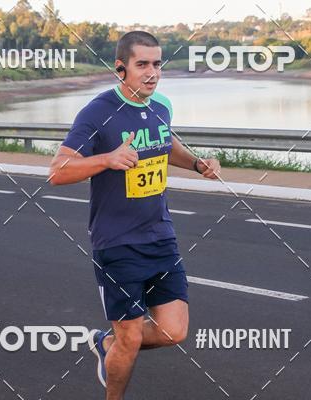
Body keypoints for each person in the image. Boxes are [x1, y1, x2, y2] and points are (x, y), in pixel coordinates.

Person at [48, 31, 221, 400]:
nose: (152, 72)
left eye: (157, 63)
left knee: (174, 331)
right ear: (120, 68)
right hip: (117, 242)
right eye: (142, 64)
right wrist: (107, 159)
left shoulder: (161, 106)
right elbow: (58, 171)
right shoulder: (98, 112)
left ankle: (106, 343)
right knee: (130, 338)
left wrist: (196, 163)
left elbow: (164, 141)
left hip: (161, 235)